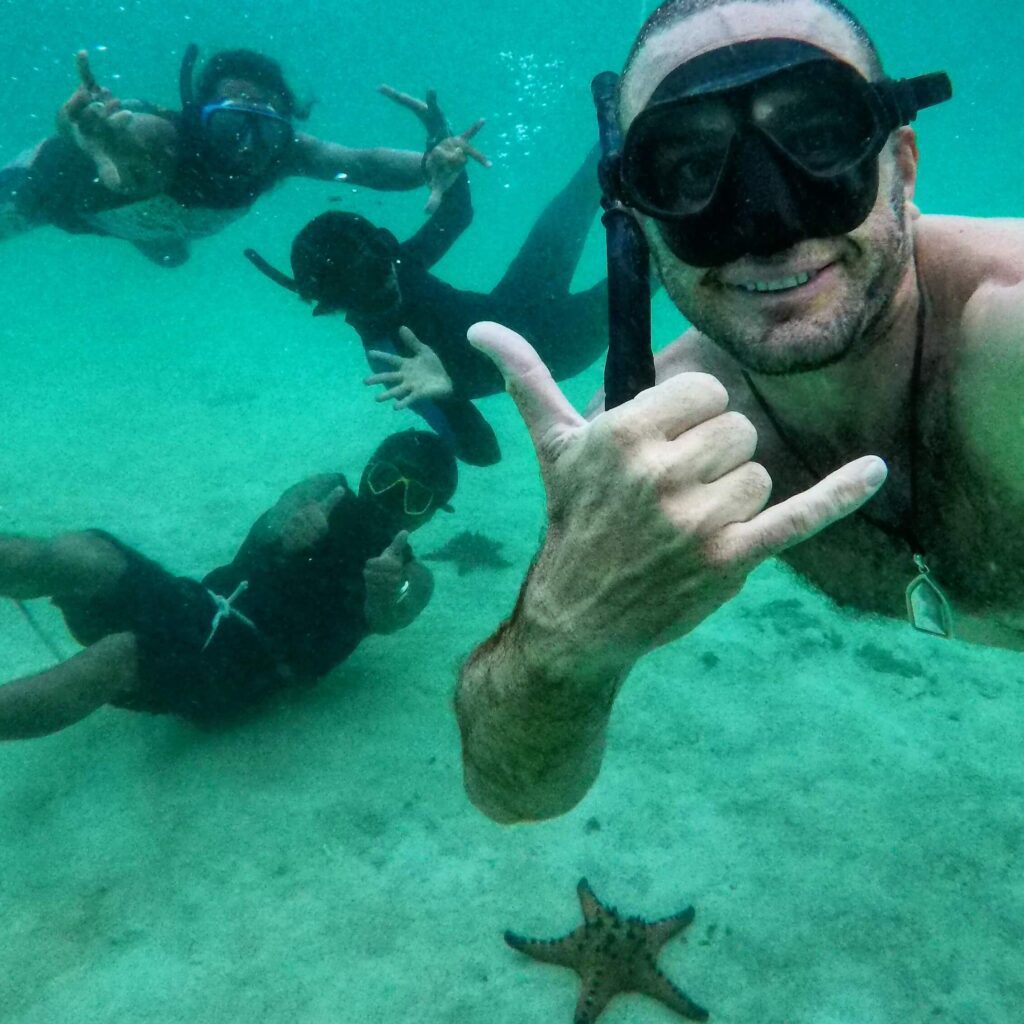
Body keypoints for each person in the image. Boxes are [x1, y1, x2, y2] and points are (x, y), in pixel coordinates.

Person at [452, 0, 1024, 824]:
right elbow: (513, 796)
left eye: (820, 140)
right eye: (690, 171)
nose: (767, 222)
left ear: (902, 162)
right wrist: (559, 633)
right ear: (639, 221)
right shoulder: (654, 439)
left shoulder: (1004, 333)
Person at [0, 430, 456, 736]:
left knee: (122, 653)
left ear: (431, 515)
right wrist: (287, 530)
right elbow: (271, 524)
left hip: (240, 668)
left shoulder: (412, 574)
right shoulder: (320, 491)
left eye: (414, 498)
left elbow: (396, 612)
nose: (390, 501)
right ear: (367, 470)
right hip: (194, 603)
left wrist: (382, 593)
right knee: (86, 552)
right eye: (383, 480)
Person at [247, 87, 608, 467]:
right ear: (334, 303)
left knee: (579, 193)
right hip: (558, 348)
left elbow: (457, 214)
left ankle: (642, 123)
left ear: (383, 246)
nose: (383, 280)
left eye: (379, 263)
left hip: (521, 296)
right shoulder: (392, 362)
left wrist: (441, 141)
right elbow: (485, 453)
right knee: (640, 257)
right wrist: (448, 390)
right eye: (360, 286)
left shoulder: (397, 264)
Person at [0, 47, 489, 266]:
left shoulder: (285, 153)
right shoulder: (166, 136)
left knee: (171, 254)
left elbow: (361, 163)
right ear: (199, 117)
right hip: (50, 190)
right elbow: (135, 141)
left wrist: (431, 162)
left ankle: (147, 237)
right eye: (231, 124)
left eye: (265, 127)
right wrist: (91, 136)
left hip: (147, 222)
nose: (248, 144)